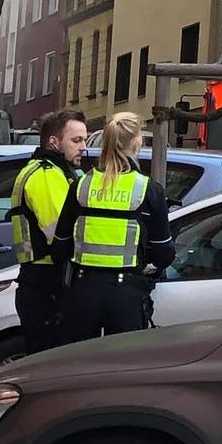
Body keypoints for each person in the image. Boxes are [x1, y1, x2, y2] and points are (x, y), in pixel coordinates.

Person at [55, 112, 175, 343]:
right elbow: (163, 255)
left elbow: (60, 246)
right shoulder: (148, 189)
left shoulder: (82, 185)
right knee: (119, 370)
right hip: (126, 295)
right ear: (137, 142)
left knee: (76, 366)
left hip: (83, 291)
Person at [9, 111, 88, 358]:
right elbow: (60, 234)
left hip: (45, 280)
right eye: (76, 141)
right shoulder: (45, 175)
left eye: (85, 140)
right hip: (45, 282)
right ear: (53, 142)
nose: (83, 148)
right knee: (48, 362)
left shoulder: (61, 172)